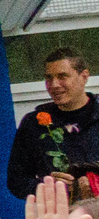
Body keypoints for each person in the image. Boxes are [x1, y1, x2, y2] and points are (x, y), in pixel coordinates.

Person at [10, 47, 99, 200]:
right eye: (49, 78)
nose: (54, 84)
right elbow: (16, 181)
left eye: (62, 76)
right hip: (60, 217)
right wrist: (47, 186)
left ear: (84, 76)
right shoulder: (33, 124)